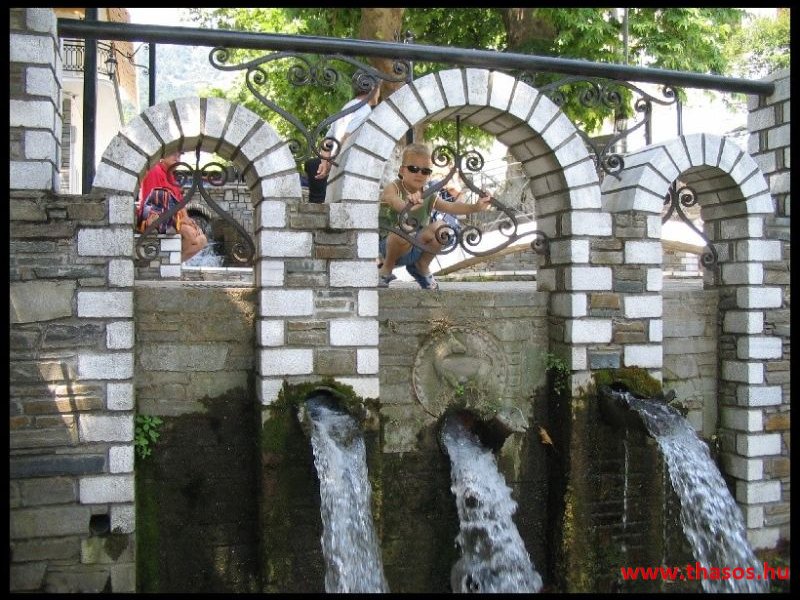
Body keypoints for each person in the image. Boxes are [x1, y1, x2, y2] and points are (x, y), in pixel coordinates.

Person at [378, 143, 493, 290]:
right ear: (402, 170)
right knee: (404, 228)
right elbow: (394, 201)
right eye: (413, 168)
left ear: (429, 175)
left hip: (417, 246)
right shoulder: (393, 187)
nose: (419, 174)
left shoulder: (428, 194)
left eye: (425, 171)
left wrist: (476, 207)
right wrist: (407, 205)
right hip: (389, 248)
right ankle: (386, 269)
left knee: (442, 228)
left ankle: (421, 266)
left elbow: (451, 207)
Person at [304, 76, 380, 203]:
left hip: (333, 167)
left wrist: (324, 163)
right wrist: (329, 164)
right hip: (343, 169)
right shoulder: (364, 110)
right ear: (373, 88)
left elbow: (327, 141)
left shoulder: (347, 107)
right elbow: (346, 138)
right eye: (378, 88)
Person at [137, 150, 207, 263]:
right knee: (190, 235)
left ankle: (173, 265)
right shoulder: (154, 170)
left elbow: (180, 202)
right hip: (153, 218)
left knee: (201, 240)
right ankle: (170, 265)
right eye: (173, 153)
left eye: (179, 155)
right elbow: (153, 202)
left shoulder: (171, 177)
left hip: (170, 219)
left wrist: (186, 219)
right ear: (162, 156)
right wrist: (180, 221)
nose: (177, 157)